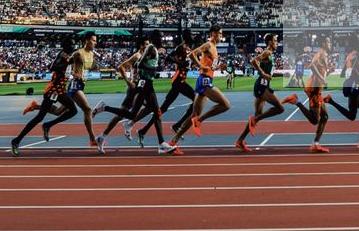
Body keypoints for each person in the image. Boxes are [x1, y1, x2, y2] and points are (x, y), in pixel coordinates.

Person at [164, 25, 230, 154]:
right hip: (204, 81)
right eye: (218, 34)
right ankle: (199, 121)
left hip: (206, 79)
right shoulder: (208, 45)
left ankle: (171, 143)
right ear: (212, 34)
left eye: (221, 34)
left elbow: (209, 67)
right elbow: (192, 54)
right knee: (225, 105)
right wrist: (200, 66)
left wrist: (218, 67)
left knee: (194, 114)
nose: (220, 36)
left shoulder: (215, 48)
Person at [234, 32, 299, 152]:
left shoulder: (270, 54)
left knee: (257, 115)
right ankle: (255, 121)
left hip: (264, 85)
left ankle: (240, 140)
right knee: (280, 108)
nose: (277, 43)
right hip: (261, 86)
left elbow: (270, 73)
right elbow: (253, 61)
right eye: (275, 41)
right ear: (270, 42)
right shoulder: (267, 52)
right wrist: (263, 74)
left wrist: (283, 74)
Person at [97, 31, 163, 149]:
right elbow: (121, 66)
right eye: (145, 44)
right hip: (134, 89)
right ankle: (105, 133)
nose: (147, 45)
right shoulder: (137, 56)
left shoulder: (147, 55)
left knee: (150, 108)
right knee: (122, 115)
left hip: (141, 87)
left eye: (148, 43)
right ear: (141, 45)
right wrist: (128, 81)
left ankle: (128, 124)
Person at [10, 37, 76, 155]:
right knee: (40, 117)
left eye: (74, 45)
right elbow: (51, 67)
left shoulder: (68, 56)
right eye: (71, 45)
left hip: (61, 90)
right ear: (65, 46)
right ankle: (16, 141)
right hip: (53, 91)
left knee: (72, 111)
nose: (74, 47)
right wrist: (67, 64)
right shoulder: (62, 55)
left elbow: (62, 67)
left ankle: (47, 124)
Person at [327, 36, 359, 149]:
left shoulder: (349, 56)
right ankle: (331, 101)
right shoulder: (358, 55)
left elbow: (343, 73)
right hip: (353, 85)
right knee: (352, 116)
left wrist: (352, 74)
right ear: (357, 45)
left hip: (348, 84)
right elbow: (353, 70)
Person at [302, 36, 334, 154]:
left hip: (318, 88)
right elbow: (311, 66)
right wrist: (322, 79)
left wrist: (328, 73)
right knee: (315, 120)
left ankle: (316, 143)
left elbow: (321, 73)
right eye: (329, 42)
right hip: (313, 88)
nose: (330, 44)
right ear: (323, 43)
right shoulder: (320, 53)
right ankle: (296, 101)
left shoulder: (324, 54)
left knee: (324, 116)